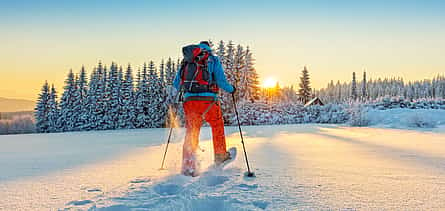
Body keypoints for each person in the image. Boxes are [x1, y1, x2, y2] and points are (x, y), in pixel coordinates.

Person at [173, 41, 235, 176]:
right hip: (209, 101)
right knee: (217, 125)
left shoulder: (187, 60)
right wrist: (231, 89)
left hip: (190, 102)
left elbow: (176, 83)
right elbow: (220, 81)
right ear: (208, 48)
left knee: (192, 131)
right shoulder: (212, 59)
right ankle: (220, 155)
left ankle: (188, 166)